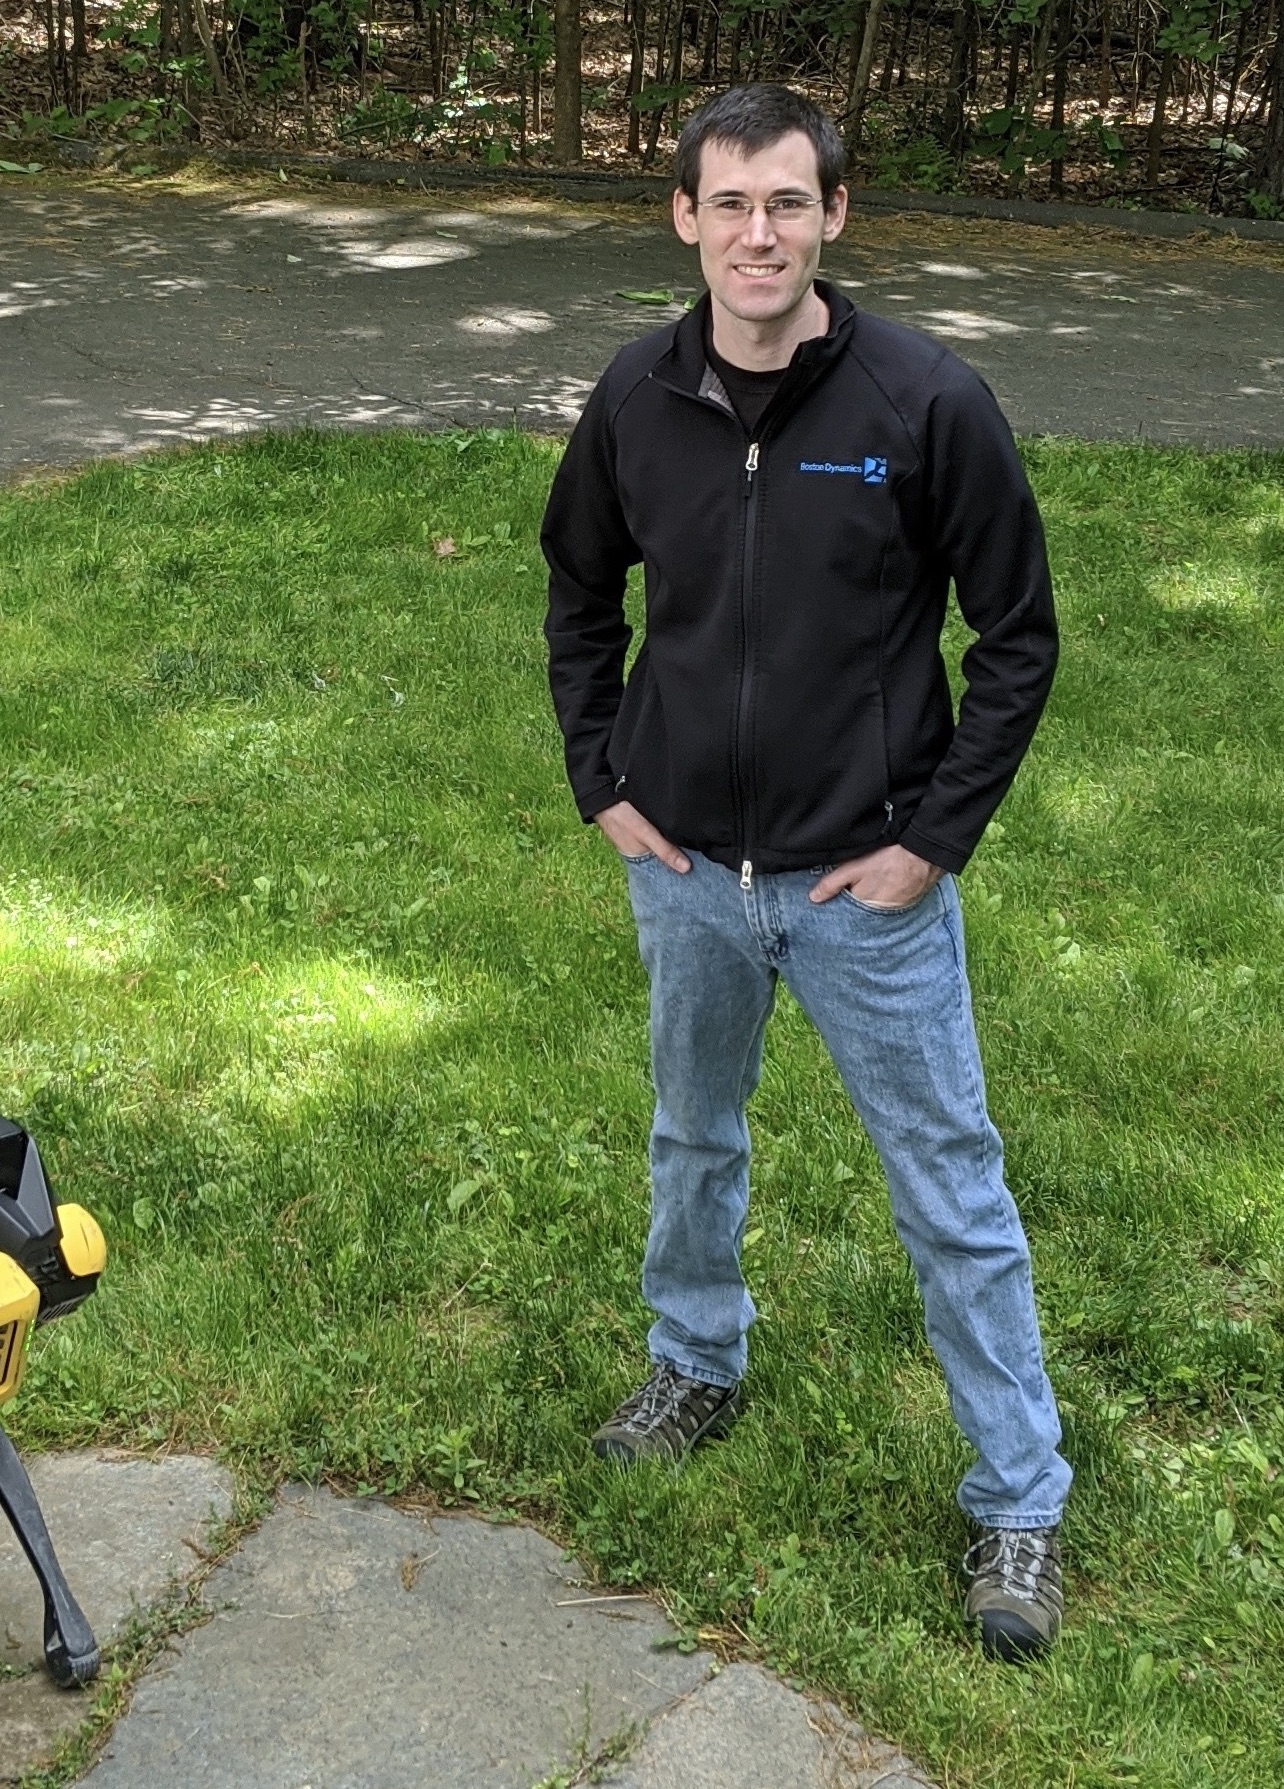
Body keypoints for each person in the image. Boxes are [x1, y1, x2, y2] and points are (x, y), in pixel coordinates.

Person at [539, 83, 1069, 1663]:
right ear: (685, 221)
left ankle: (1020, 1498)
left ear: (835, 215)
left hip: (865, 889)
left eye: (789, 203)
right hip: (692, 870)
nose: (757, 233)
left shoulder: (924, 402)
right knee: (692, 1136)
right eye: (729, 205)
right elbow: (579, 593)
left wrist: (929, 839)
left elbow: (1019, 639)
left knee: (951, 1187)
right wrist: (603, 784)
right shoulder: (637, 396)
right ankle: (694, 1360)